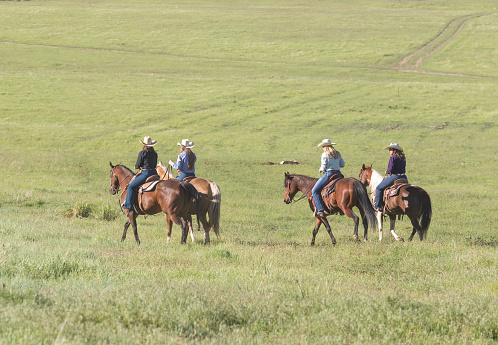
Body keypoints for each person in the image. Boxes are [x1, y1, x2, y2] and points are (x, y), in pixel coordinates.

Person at [122, 136, 159, 212]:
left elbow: (138, 164)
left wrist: (137, 167)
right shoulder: (155, 154)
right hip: (154, 173)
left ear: (144, 144)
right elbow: (155, 164)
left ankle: (128, 205)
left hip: (146, 174)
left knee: (131, 186)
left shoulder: (142, 153)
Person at [312, 139, 345, 218]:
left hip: (329, 174)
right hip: (338, 174)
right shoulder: (338, 153)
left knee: (314, 190)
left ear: (326, 147)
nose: (323, 148)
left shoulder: (324, 154)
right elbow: (342, 164)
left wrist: (320, 169)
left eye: (323, 146)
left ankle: (320, 210)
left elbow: (323, 166)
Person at [374, 143, 407, 212]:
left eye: (390, 149)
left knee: (379, 188)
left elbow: (390, 169)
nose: (389, 151)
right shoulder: (403, 157)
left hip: (395, 177)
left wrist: (387, 171)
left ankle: (377, 206)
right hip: (404, 177)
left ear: (394, 150)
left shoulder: (393, 157)